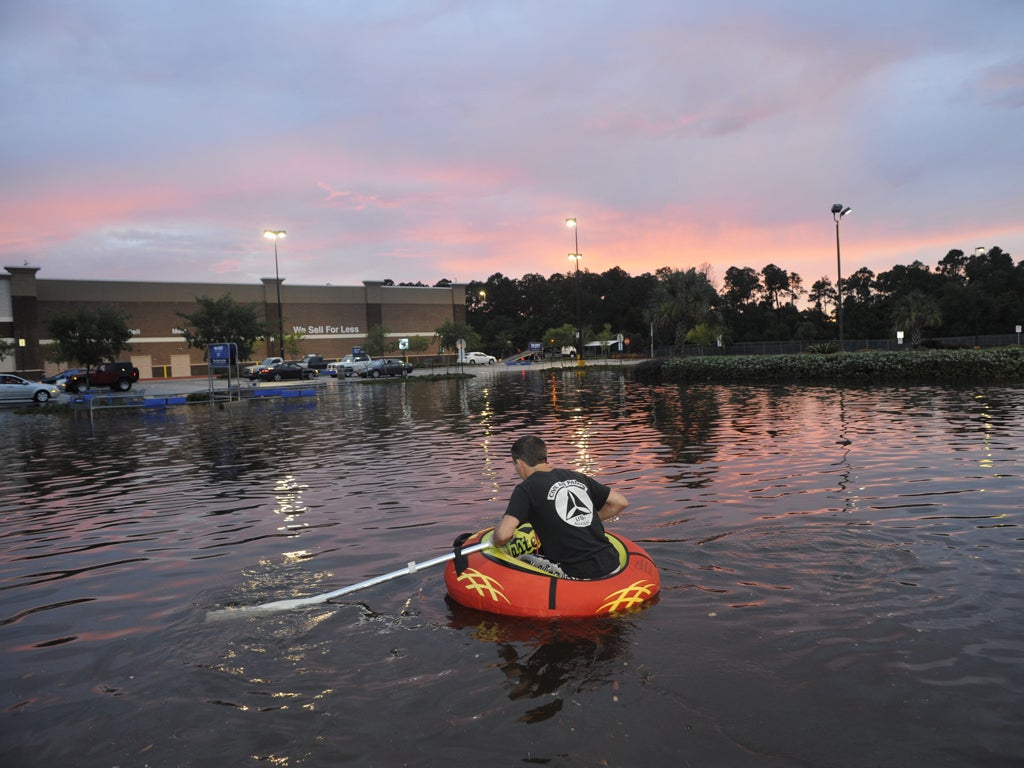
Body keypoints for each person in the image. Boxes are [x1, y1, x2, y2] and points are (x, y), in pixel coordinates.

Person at [492, 435, 629, 579]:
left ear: (519, 464)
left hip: (578, 573)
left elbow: (503, 535)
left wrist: (493, 542)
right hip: (613, 564)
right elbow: (620, 502)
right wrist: (583, 521)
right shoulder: (576, 476)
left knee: (522, 559)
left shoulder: (526, 488)